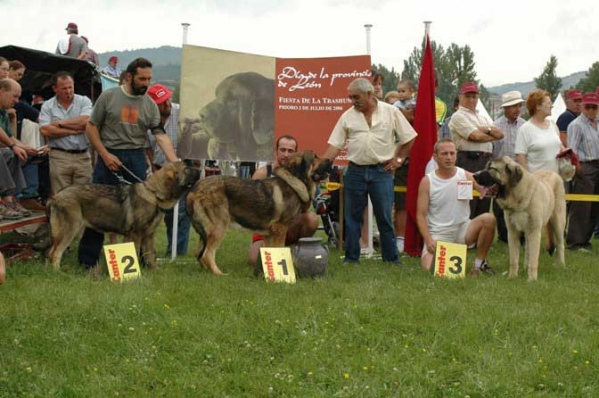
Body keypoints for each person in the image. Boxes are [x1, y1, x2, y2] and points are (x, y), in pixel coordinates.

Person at [78, 58, 179, 269]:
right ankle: (88, 262)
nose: (146, 83)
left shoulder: (150, 104)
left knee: (141, 214)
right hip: (109, 155)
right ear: (129, 77)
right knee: (97, 210)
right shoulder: (109, 97)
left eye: (149, 79)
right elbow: (91, 128)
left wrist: (175, 162)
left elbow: (159, 135)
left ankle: (135, 262)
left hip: (135, 158)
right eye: (142, 79)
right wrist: (104, 155)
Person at [323, 77, 417, 265]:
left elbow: (409, 138)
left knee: (384, 216)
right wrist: (323, 164)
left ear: (369, 94)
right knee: (352, 217)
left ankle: (391, 259)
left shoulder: (391, 112)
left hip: (381, 171)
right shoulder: (347, 116)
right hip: (355, 171)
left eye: (356, 97)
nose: (352, 101)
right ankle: (351, 258)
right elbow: (335, 145)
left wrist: (399, 159)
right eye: (350, 97)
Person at [416, 138, 496, 275]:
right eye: (444, 154)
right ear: (435, 157)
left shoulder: (464, 174)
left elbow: (481, 186)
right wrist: (428, 239)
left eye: (452, 153)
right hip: (439, 234)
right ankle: (450, 255)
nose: (449, 157)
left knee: (489, 219)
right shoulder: (427, 181)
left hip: (463, 231)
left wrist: (485, 189)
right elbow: (420, 215)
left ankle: (479, 264)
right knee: (430, 269)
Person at [248, 135, 319, 266]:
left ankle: (300, 251)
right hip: (265, 230)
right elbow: (253, 209)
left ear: (296, 153)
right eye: (283, 150)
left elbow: (305, 208)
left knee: (312, 219)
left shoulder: (300, 176)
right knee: (256, 261)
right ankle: (275, 250)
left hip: (289, 226)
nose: (286, 155)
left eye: (290, 151)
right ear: (276, 151)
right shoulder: (262, 174)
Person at [146, 84, 191, 256]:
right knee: (159, 214)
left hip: (182, 171)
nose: (167, 104)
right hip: (159, 171)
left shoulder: (181, 114)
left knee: (181, 213)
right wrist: (153, 167)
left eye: (167, 99)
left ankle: (177, 251)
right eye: (161, 102)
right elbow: (147, 147)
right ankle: (150, 250)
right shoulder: (148, 118)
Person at [450, 81, 504, 219]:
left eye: (474, 96)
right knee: (466, 203)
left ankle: (477, 239)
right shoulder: (458, 116)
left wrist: (486, 129)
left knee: (483, 202)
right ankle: (463, 237)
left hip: (485, 161)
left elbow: (500, 134)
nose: (471, 100)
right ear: (460, 97)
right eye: (468, 96)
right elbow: (475, 136)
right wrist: (489, 133)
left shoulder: (483, 117)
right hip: (468, 160)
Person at [39, 71, 93, 195]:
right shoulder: (48, 106)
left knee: (84, 197)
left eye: (70, 87)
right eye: (64, 88)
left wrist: (59, 123)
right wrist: (73, 130)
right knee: (61, 198)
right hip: (59, 157)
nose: (68, 91)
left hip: (83, 157)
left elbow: (86, 121)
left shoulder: (84, 101)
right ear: (55, 88)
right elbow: (45, 130)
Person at [8, 60, 46, 211]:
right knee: (12, 155)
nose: (19, 78)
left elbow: (40, 119)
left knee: (32, 155)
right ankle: (15, 198)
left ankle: (29, 196)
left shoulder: (17, 104)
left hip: (12, 142)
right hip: (7, 146)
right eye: (18, 74)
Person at [565, 92, 599, 252]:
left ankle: (585, 240)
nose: (591, 110)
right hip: (585, 166)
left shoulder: (598, 123)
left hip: (597, 165)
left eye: (594, 107)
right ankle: (575, 242)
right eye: (588, 107)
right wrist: (577, 168)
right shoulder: (576, 125)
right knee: (581, 206)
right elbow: (572, 149)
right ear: (582, 107)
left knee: (593, 206)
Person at [492, 91, 526, 242]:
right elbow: (492, 152)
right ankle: (503, 235)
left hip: (519, 172)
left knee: (521, 203)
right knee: (501, 203)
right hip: (502, 172)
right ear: (505, 108)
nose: (517, 109)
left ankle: (522, 234)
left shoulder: (525, 126)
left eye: (519, 105)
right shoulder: (495, 126)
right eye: (513, 106)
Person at [0, 78, 36, 219]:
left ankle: (10, 200)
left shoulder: (3, 112)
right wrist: (14, 146)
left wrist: (27, 148)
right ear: (2, 91)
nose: (17, 101)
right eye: (15, 96)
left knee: (11, 154)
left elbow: (10, 137)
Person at [515, 89, 562, 174]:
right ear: (538, 106)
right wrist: (529, 182)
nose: (552, 106)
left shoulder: (553, 125)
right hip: (537, 183)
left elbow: (560, 147)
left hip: (555, 181)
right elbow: (521, 157)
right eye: (549, 103)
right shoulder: (525, 130)